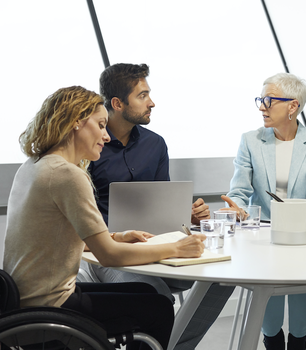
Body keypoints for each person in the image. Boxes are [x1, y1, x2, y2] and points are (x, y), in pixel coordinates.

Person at [3, 86, 208, 350]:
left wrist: (116, 236)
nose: (106, 136)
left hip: (26, 300)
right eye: (101, 125)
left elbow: (54, 239)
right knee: (158, 307)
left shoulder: (34, 165)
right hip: (51, 305)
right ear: (76, 122)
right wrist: (177, 248)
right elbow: (109, 257)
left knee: (148, 293)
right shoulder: (67, 175)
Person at [81, 63, 235, 350]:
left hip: (156, 244)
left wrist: (185, 216)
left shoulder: (155, 144)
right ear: (117, 103)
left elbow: (161, 204)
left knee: (222, 280)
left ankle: (175, 346)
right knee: (156, 296)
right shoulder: (90, 148)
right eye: (142, 96)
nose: (152, 102)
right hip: (113, 251)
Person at [225, 72, 306, 350]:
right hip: (262, 237)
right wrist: (238, 209)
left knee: (302, 289)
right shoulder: (250, 141)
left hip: (303, 237)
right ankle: (271, 340)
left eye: (269, 100)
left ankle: (300, 341)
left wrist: (299, 218)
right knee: (269, 301)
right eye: (260, 100)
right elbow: (239, 192)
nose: (262, 106)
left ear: (293, 106)